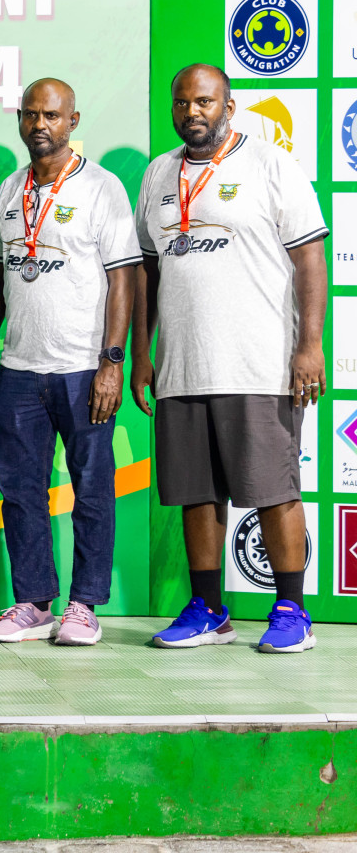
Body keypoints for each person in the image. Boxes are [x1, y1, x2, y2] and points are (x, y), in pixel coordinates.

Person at [135, 64, 328, 654]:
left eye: (205, 102)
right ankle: (208, 609)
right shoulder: (158, 174)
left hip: (259, 362)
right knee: (197, 492)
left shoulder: (270, 164)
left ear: (229, 105)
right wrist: (142, 354)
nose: (193, 112)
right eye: (182, 103)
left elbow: (311, 259)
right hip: (183, 365)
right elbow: (148, 270)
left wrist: (310, 345)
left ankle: (292, 609)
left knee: (272, 489)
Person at [0, 78, 139, 646]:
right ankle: (33, 603)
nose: (39, 124)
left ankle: (84, 605)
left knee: (92, 489)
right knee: (21, 492)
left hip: (83, 369)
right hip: (19, 369)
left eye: (51, 115)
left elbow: (124, 279)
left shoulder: (103, 188)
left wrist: (111, 361)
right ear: (19, 119)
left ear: (72, 121)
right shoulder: (9, 188)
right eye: (30, 115)